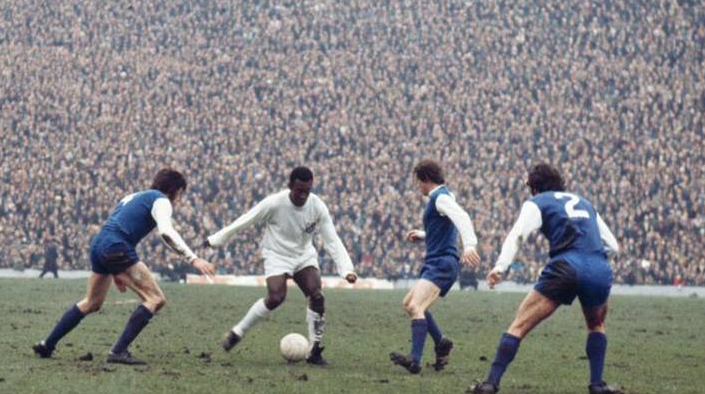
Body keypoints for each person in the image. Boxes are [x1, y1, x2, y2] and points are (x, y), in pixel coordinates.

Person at [469, 163, 623, 394]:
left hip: (566, 267)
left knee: (519, 325)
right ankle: (597, 384)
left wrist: (501, 267)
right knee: (596, 325)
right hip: (598, 267)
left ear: (534, 188)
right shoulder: (585, 203)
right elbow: (614, 245)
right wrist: (594, 261)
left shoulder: (538, 202)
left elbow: (518, 234)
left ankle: (491, 383)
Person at [33, 168, 215, 364]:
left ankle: (47, 344)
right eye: (180, 193)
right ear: (174, 189)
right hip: (116, 246)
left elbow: (121, 224)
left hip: (99, 244)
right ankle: (118, 351)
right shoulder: (161, 200)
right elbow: (166, 232)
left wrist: (116, 270)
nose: (179, 199)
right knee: (156, 299)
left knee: (91, 302)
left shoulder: (133, 196)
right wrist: (194, 259)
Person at [207, 166, 357, 366]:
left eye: (307, 191)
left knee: (317, 296)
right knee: (276, 297)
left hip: (303, 256)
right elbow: (246, 220)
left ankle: (314, 351)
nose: (303, 195)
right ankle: (237, 332)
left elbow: (331, 239)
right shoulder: (274, 203)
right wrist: (216, 239)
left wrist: (346, 269)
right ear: (290, 186)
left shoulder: (317, 206)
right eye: (299, 190)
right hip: (277, 255)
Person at [390, 160, 480, 374]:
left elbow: (462, 218)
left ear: (426, 179)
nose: (418, 187)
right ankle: (441, 342)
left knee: (416, 308)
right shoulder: (444, 196)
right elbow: (445, 228)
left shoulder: (440, 198)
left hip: (442, 263)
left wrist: (469, 246)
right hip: (437, 261)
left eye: (418, 182)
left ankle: (415, 359)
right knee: (408, 303)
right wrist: (423, 235)